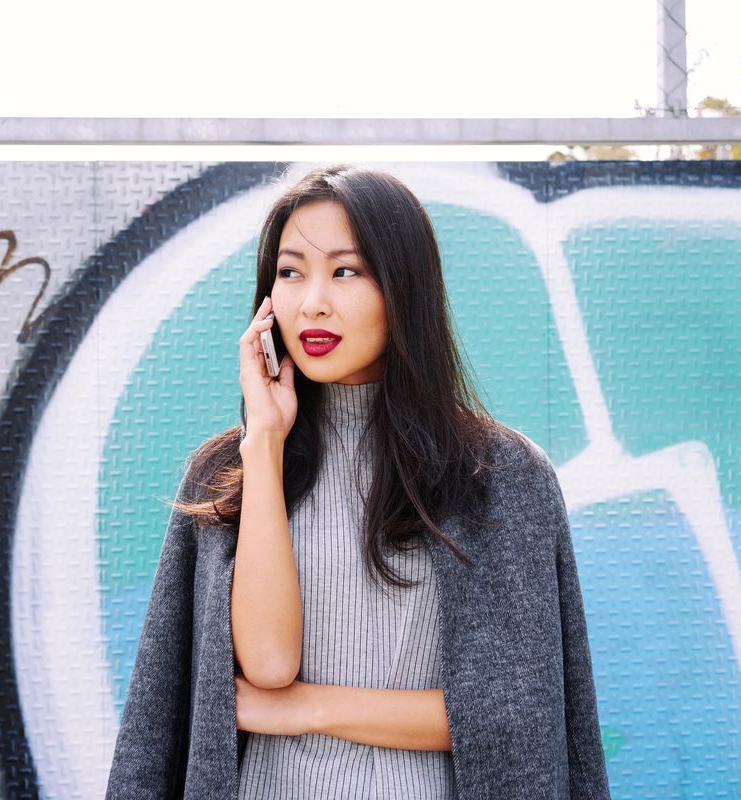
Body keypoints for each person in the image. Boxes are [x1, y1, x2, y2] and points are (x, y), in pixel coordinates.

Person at [105, 164, 610, 799]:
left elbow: (517, 716)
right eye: (290, 272)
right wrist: (262, 441)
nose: (312, 300)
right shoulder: (227, 475)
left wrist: (309, 708)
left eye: (346, 271)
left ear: (404, 289)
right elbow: (267, 665)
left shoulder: (499, 475)